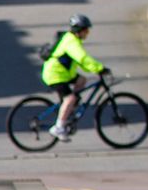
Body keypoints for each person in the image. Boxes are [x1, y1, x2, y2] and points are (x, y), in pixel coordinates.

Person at [42, 14, 106, 142]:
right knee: (69, 98)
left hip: (64, 74)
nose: (88, 33)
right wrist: (100, 69)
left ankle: (69, 107)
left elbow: (82, 63)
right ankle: (59, 127)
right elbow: (83, 58)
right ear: (79, 30)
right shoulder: (71, 42)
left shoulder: (72, 39)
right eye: (86, 30)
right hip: (55, 74)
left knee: (82, 80)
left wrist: (94, 69)